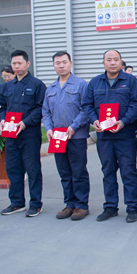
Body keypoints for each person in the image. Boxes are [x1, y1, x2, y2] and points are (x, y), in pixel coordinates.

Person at [83, 49, 137, 223]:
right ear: (104, 63)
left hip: (125, 135)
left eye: (116, 59)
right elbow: (87, 105)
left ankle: (132, 207)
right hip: (104, 136)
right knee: (108, 171)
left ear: (121, 62)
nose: (112, 63)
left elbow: (136, 104)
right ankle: (110, 207)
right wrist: (94, 120)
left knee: (128, 171)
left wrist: (123, 122)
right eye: (109, 60)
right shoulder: (95, 82)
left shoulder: (130, 81)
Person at [42, 51, 91, 221]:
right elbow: (46, 112)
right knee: (64, 171)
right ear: (54, 65)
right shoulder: (51, 88)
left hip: (76, 135)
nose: (61, 65)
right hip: (57, 137)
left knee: (78, 171)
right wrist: (48, 129)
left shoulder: (80, 85)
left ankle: (81, 205)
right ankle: (69, 203)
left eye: (64, 62)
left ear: (70, 63)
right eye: (57, 63)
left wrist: (73, 126)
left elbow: (86, 109)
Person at [0, 50, 46, 217]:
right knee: (13, 169)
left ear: (28, 63)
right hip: (11, 134)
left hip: (29, 134)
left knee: (33, 169)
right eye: (14, 63)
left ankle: (36, 204)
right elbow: (2, 107)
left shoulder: (37, 85)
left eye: (20, 63)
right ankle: (16, 202)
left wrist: (24, 123)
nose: (17, 66)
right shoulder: (6, 86)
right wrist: (2, 120)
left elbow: (41, 108)